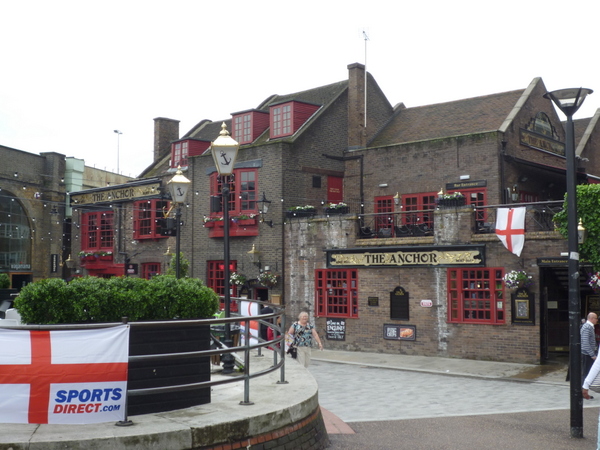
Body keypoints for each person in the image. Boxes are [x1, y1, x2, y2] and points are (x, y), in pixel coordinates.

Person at [581, 312, 598, 384]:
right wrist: (592, 355)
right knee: (586, 373)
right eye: (596, 318)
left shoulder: (589, 327)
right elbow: (585, 342)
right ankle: (584, 389)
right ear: (592, 319)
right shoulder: (587, 327)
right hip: (587, 355)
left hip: (588, 354)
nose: (597, 320)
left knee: (588, 372)